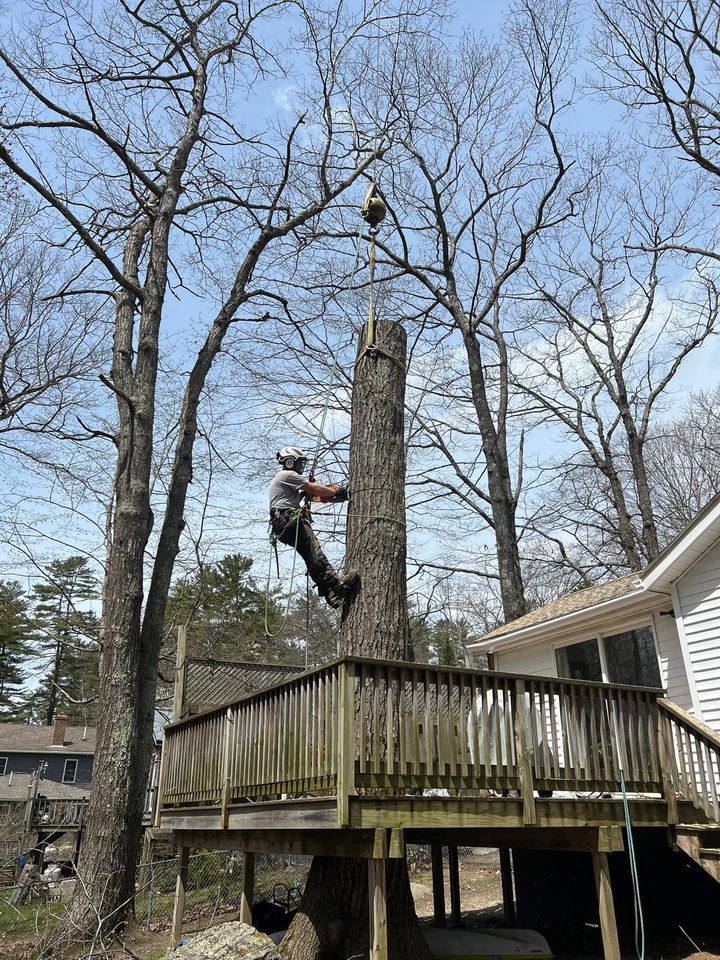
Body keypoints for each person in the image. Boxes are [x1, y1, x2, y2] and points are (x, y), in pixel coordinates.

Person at [269, 446, 355, 609]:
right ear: (290, 461)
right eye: (299, 463)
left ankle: (330, 594)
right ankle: (336, 584)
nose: (301, 467)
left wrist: (325, 495)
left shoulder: (285, 481)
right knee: (315, 552)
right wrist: (334, 492)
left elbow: (310, 494)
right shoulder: (287, 474)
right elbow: (313, 489)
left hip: (281, 525)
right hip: (289, 520)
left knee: (310, 557)